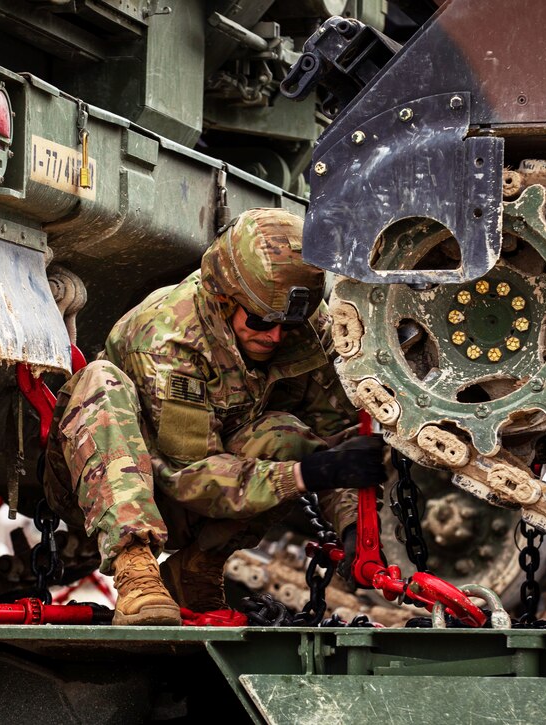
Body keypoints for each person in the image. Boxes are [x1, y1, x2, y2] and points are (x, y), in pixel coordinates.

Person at [43, 208, 386, 625]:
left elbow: (337, 440)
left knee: (285, 436)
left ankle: (197, 570)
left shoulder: (298, 320)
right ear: (224, 298)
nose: (275, 336)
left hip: (203, 493)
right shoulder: (169, 337)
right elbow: (188, 476)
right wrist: (303, 475)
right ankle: (137, 573)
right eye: (260, 321)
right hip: (109, 487)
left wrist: (354, 525)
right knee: (100, 381)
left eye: (287, 324)